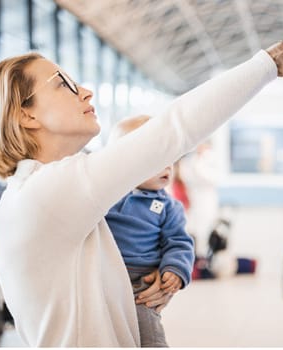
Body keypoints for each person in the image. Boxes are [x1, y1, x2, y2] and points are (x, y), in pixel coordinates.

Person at [0, 0, 283, 346]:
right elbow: (174, 129)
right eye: (65, 85)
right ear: (26, 114)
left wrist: (145, 282)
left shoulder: (37, 197)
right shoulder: (47, 192)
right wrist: (281, 56)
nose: (86, 92)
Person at [106, 115, 194, 347]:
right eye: (155, 159)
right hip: (104, 275)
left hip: (141, 280)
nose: (166, 166)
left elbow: (179, 242)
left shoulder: (168, 206)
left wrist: (175, 269)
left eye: (170, 158)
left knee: (147, 330)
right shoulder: (106, 197)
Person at [179, 140, 220, 256]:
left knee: (206, 228)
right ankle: (195, 257)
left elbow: (210, 178)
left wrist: (199, 162)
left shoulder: (210, 158)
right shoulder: (190, 160)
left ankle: (203, 258)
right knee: (192, 228)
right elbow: (185, 176)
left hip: (206, 198)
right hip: (193, 197)